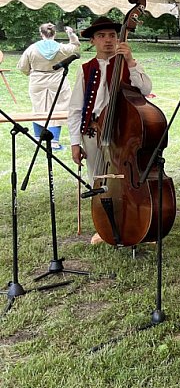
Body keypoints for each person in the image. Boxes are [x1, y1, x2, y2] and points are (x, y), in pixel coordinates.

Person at [66, 16, 153, 244]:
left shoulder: (126, 63)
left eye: (112, 35)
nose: (108, 40)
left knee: (129, 176)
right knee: (98, 177)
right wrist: (75, 142)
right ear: (93, 40)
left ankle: (138, 217)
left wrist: (131, 61)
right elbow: (75, 108)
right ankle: (104, 225)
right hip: (95, 130)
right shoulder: (85, 69)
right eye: (102, 36)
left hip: (124, 130)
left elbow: (145, 88)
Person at [17, 22, 81, 150]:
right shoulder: (61, 48)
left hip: (37, 81)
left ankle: (37, 139)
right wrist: (71, 34)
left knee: (38, 108)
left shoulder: (32, 48)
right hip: (57, 80)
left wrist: (31, 73)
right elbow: (75, 46)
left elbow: (23, 67)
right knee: (58, 109)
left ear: (41, 33)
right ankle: (54, 141)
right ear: (54, 33)